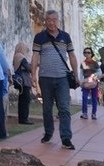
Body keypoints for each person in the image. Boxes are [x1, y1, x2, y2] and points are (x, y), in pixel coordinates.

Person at [31, 9, 78, 150]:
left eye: (54, 19)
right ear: (45, 21)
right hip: (45, 78)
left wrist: (76, 74)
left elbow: (72, 56)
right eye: (49, 20)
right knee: (47, 108)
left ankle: (66, 138)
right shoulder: (39, 37)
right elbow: (35, 57)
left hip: (62, 78)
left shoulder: (66, 37)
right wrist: (33, 74)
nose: (51, 22)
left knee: (64, 108)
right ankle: (48, 133)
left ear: (58, 20)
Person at [12, 42, 35, 124]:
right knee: (25, 101)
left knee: (22, 101)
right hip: (24, 81)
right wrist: (35, 65)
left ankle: (22, 118)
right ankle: (24, 119)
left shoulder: (16, 56)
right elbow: (28, 68)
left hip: (20, 81)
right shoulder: (21, 57)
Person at [79, 47, 101, 120]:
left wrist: (93, 76)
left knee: (94, 98)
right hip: (85, 83)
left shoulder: (95, 63)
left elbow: (99, 72)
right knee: (84, 97)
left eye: (88, 52)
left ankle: (93, 114)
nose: (87, 54)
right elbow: (81, 73)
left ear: (91, 54)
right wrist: (81, 82)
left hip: (94, 82)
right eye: (85, 52)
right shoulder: (82, 63)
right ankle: (84, 113)